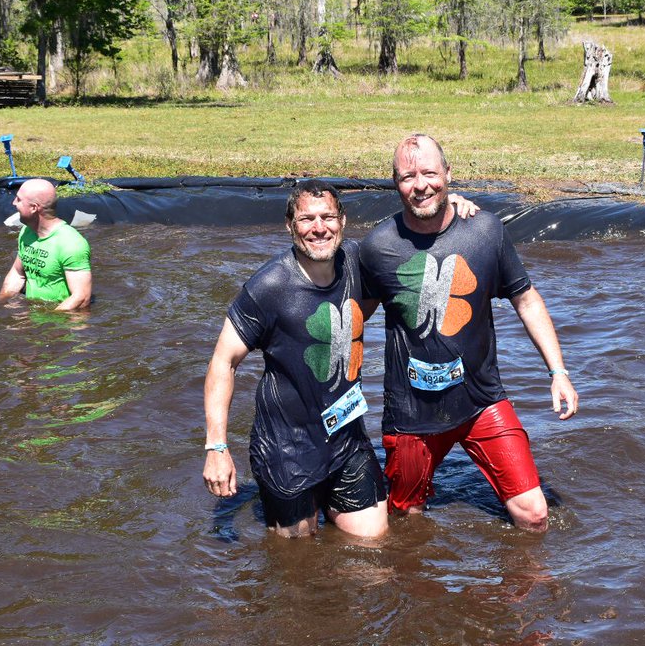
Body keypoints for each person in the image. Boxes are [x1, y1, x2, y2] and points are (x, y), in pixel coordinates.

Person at [358, 134, 578, 533]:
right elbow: (354, 318)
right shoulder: (377, 247)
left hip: (481, 400)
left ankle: (521, 591)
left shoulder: (485, 232)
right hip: (411, 412)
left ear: (448, 174)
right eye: (409, 176)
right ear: (394, 182)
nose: (421, 185)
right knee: (407, 524)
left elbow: (526, 300)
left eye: (429, 172)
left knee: (534, 515)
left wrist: (558, 372)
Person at [202, 180, 388, 538]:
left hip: (347, 437)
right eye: (307, 219)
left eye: (327, 217)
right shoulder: (267, 288)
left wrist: (452, 205)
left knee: (372, 542)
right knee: (297, 561)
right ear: (290, 225)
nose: (319, 228)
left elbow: (410, 235)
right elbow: (223, 362)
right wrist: (217, 448)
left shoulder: (356, 262)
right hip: (288, 448)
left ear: (343, 220)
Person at [0, 178, 92, 312]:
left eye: (18, 199)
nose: (14, 203)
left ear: (34, 208)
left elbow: (81, 297)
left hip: (61, 321)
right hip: (34, 312)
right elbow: (18, 274)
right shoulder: (26, 232)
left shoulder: (71, 244)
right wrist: (0, 304)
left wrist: (49, 324)